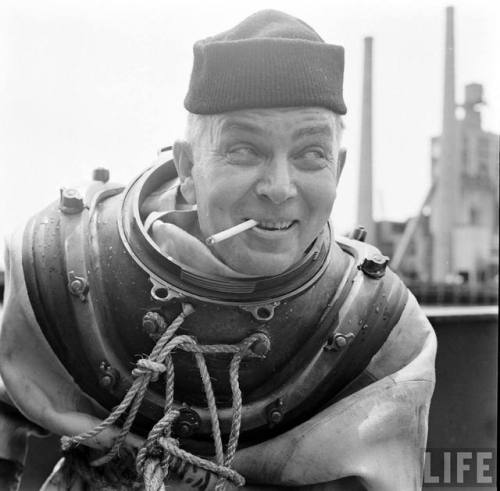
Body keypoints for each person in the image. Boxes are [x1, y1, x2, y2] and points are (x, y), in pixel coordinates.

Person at [0, 9, 436, 491]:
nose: (278, 187)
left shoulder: (381, 329)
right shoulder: (65, 266)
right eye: (244, 150)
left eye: (311, 154)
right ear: (187, 167)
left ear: (339, 166)